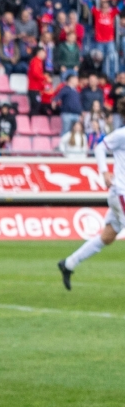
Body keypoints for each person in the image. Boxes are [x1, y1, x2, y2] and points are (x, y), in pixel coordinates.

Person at [59, 108, 125, 288]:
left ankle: (69, 263)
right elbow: (99, 147)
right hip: (121, 192)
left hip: (119, 194)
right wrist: (104, 172)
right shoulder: (121, 134)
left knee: (108, 236)